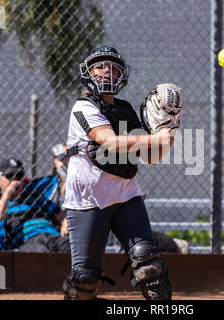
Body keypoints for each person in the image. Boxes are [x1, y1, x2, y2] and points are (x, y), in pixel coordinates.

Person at [61, 46, 175, 300]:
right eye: (100, 67)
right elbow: (110, 142)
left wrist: (170, 128)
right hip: (88, 200)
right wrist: (154, 136)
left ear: (122, 76)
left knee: (150, 267)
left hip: (126, 195)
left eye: (113, 68)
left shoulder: (125, 110)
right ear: (89, 72)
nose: (107, 73)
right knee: (85, 281)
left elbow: (153, 156)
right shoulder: (84, 107)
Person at [0, 158, 70, 252]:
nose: (15, 180)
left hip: (51, 234)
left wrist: (66, 220)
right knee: (42, 254)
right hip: (27, 239)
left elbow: (60, 215)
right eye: (9, 176)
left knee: (72, 248)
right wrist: (8, 193)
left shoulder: (36, 197)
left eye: (19, 176)